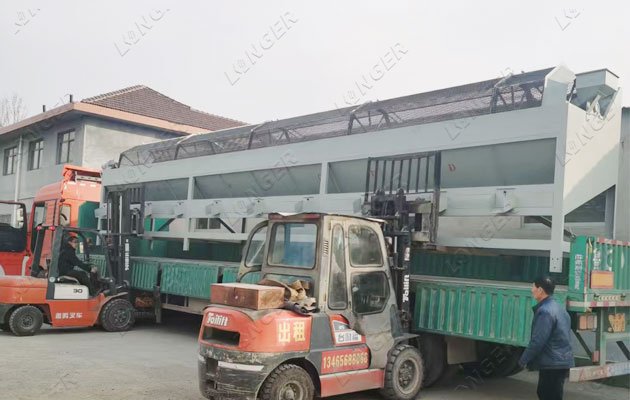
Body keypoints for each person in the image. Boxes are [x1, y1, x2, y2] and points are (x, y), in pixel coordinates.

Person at [519, 276, 574, 400]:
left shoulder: (545, 311)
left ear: (540, 290)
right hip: (561, 360)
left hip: (552, 362)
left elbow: (538, 341)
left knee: (546, 394)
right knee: (553, 394)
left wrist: (523, 360)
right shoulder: (560, 308)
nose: (531, 289)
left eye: (533, 286)